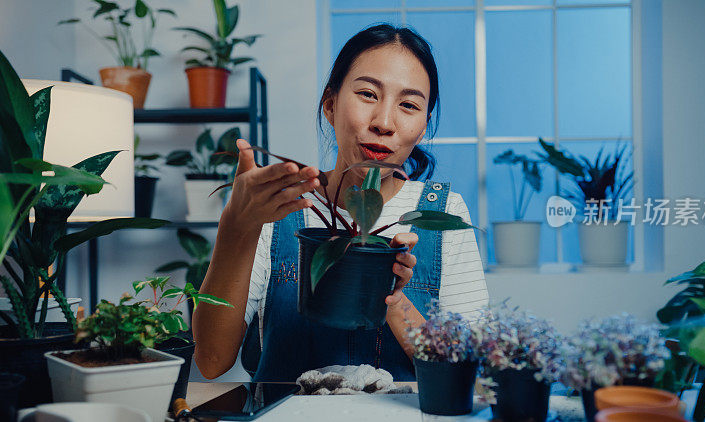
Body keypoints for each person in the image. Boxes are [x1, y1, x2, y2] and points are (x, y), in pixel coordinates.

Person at [193, 24, 488, 382]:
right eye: (367, 94)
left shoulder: (443, 212)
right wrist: (236, 226)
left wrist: (394, 297)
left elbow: (468, 373)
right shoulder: (279, 206)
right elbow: (211, 360)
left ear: (423, 127)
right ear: (330, 105)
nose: (384, 122)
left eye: (408, 105)